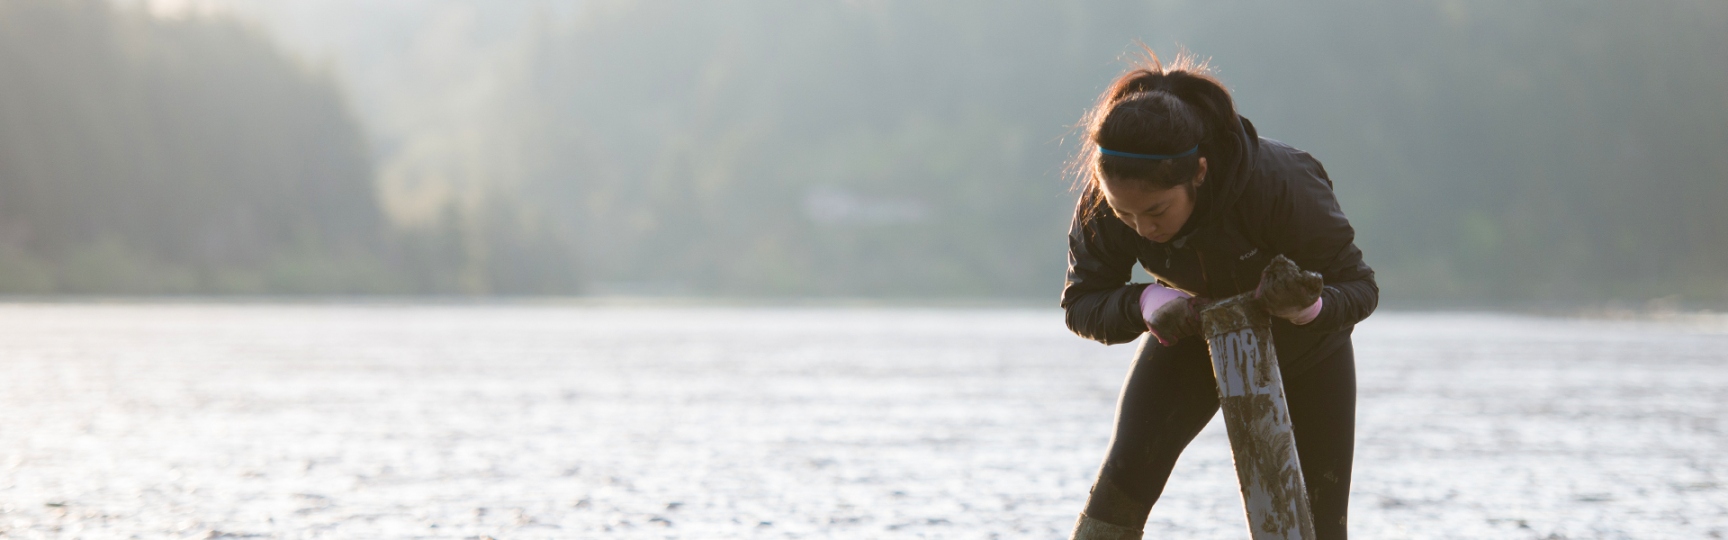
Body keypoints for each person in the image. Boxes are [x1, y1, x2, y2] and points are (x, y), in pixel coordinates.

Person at [1062, 53, 1378, 540]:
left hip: (1308, 349)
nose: (1143, 227)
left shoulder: (1282, 182)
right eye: (1126, 215)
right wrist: (1148, 303)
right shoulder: (1107, 200)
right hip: (1189, 335)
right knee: (1118, 490)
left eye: (1157, 210)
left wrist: (1307, 307)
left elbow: (1360, 287)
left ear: (1199, 172)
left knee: (1320, 527)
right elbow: (1082, 302)